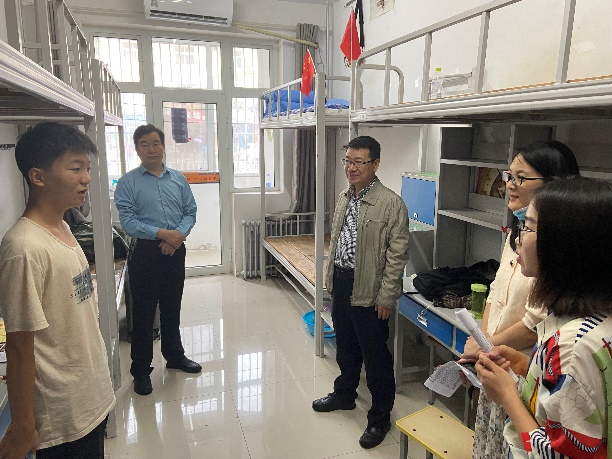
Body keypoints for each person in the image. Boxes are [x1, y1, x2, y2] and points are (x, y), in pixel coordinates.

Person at [0, 122, 115, 459]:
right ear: (38, 177)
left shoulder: (62, 226)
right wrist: (23, 425)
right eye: (75, 169)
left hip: (89, 396)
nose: (86, 178)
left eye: (88, 168)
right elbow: (19, 346)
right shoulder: (24, 248)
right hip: (60, 414)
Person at [476, 178, 612, 459]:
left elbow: (555, 454)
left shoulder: (572, 346)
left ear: (563, 243)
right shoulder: (593, 319)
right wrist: (526, 365)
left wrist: (508, 396)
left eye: (528, 227)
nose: (519, 239)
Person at [461, 140, 580, 459]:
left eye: (520, 177)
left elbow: (533, 324)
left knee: (518, 445)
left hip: (525, 376)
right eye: (508, 176)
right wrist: (483, 342)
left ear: (554, 185)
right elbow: (496, 292)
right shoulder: (517, 234)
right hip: (503, 361)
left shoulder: (555, 251)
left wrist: (486, 347)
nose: (509, 184)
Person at [312, 136, 410, 449]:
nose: (351, 168)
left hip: (370, 289)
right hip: (342, 283)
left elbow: (397, 255)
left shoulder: (391, 204)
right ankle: (344, 394)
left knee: (375, 356)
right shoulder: (345, 197)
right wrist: (330, 280)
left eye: (358, 162)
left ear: (375, 164)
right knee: (346, 347)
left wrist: (386, 296)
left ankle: (380, 417)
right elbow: (338, 242)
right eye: (348, 161)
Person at [114, 124, 200, 396]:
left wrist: (177, 237)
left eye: (156, 143)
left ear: (163, 147)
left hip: (175, 250)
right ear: (136, 149)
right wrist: (164, 234)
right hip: (145, 253)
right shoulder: (128, 183)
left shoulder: (178, 179)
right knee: (143, 312)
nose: (151, 149)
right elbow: (129, 223)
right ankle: (141, 370)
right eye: (144, 144)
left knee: (172, 305)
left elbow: (190, 211)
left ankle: (174, 356)